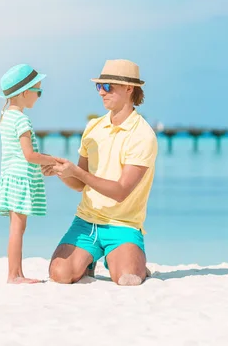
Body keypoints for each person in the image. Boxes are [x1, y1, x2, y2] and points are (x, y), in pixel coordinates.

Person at [47, 59, 158, 286]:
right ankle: (90, 259)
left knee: (128, 279)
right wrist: (62, 172)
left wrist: (77, 172)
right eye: (99, 86)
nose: (101, 92)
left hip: (123, 224)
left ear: (129, 89)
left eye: (107, 86)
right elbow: (80, 184)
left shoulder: (142, 135)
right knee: (59, 274)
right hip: (86, 221)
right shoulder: (93, 127)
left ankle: (135, 263)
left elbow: (121, 192)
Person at [0, 63, 58, 284]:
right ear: (24, 93)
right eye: (38, 91)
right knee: (18, 228)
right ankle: (14, 275)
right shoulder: (22, 119)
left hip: (10, 176)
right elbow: (29, 155)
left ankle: (17, 273)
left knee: (16, 226)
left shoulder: (6, 117)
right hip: (21, 178)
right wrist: (54, 160)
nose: (39, 96)